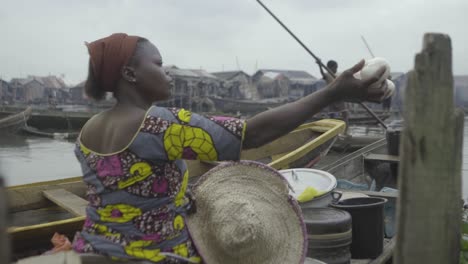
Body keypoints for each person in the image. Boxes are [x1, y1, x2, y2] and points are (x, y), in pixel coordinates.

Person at [72, 33, 388, 263]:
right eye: (158, 64)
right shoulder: (159, 124)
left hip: (93, 250)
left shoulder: (87, 130)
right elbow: (251, 134)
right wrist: (332, 94)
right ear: (130, 74)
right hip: (158, 255)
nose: (167, 73)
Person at [319, 60, 350, 130]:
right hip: (331, 98)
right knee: (332, 115)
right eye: (335, 68)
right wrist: (320, 65)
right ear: (330, 68)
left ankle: (346, 131)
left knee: (345, 114)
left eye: (337, 68)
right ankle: (332, 130)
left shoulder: (337, 76)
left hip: (339, 97)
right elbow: (322, 73)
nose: (336, 69)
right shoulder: (327, 75)